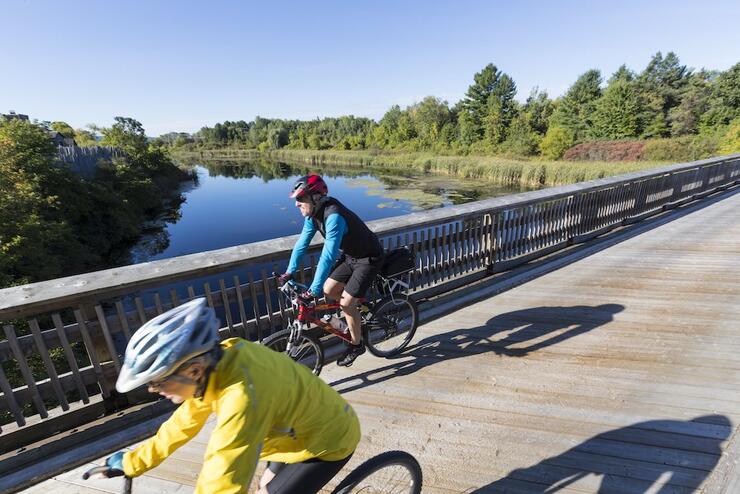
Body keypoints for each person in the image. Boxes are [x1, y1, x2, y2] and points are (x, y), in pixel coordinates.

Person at [98, 297, 360, 494]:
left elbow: (222, 470)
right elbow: (183, 424)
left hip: (327, 440)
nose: (155, 391)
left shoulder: (241, 397)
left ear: (194, 369)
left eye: (158, 383)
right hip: (292, 429)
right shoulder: (222, 359)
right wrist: (135, 461)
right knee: (265, 486)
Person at [279, 174, 384, 367]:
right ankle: (359, 309)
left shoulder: (334, 216)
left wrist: (312, 291)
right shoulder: (314, 216)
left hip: (368, 258)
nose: (297, 204)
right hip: (351, 256)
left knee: (345, 303)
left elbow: (327, 256)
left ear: (315, 197)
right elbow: (302, 244)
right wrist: (289, 272)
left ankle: (356, 344)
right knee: (329, 290)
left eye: (300, 198)